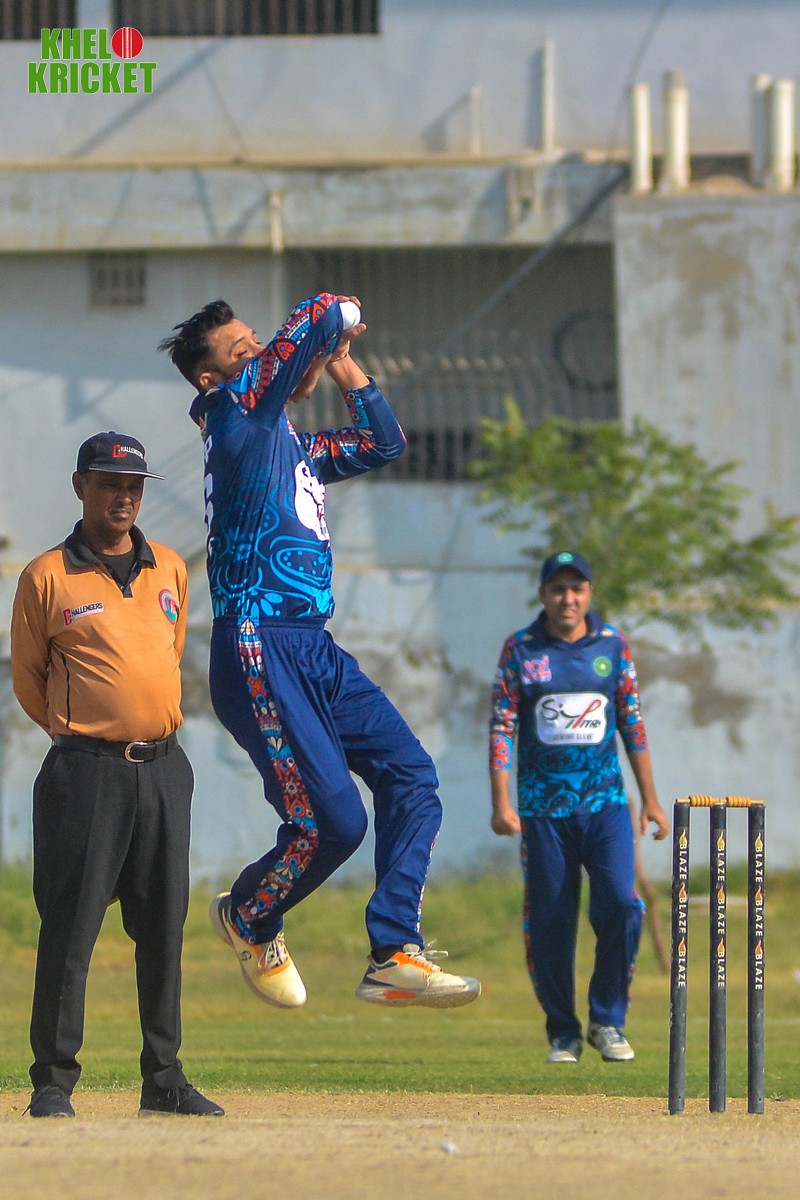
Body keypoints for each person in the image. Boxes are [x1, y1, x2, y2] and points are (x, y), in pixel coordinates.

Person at [158, 292, 480, 1010]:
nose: (261, 356)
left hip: (313, 647)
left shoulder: (289, 442)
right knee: (334, 822)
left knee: (411, 775)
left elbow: (383, 443)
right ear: (213, 379)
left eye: (259, 345)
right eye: (244, 352)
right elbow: (323, 309)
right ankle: (249, 912)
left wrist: (340, 362)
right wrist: (335, 320)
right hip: (259, 645)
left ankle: (394, 951)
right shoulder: (234, 417)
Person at [10, 432, 224, 1119]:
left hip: (163, 769)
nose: (123, 497)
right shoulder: (47, 576)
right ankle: (53, 1082)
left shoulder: (169, 568)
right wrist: (83, 732)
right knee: (70, 929)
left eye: (132, 486)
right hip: (86, 773)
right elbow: (29, 678)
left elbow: (171, 652)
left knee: (162, 928)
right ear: (81, 487)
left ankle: (163, 1078)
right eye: (109, 484)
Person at [488, 550, 669, 1064]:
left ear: (589, 594)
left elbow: (631, 722)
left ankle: (607, 1021)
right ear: (543, 595)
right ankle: (563, 1032)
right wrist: (501, 803)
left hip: (606, 805)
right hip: (543, 810)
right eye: (558, 589)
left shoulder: (612, 645)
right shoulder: (521, 649)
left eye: (577, 589)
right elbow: (502, 727)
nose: (568, 598)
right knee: (550, 920)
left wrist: (651, 801)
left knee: (622, 905)